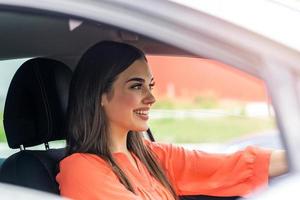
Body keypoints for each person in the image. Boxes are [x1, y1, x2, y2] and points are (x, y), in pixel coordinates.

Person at [56, 41, 288, 200]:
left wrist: (293, 156)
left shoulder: (150, 156)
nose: (151, 98)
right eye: (137, 86)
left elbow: (231, 166)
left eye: (151, 86)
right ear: (101, 96)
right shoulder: (80, 169)